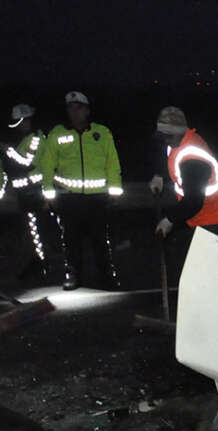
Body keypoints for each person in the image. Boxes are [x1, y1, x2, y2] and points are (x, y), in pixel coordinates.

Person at [38, 91, 123, 290]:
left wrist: (114, 192)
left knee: (100, 239)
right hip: (69, 198)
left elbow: (112, 162)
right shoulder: (57, 133)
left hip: (98, 198)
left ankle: (107, 277)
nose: (75, 112)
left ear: (87, 110)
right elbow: (47, 164)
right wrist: (48, 192)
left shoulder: (101, 132)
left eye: (79, 108)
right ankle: (73, 275)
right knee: (70, 239)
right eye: (71, 108)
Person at [150, 107, 218, 253]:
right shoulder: (176, 141)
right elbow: (170, 156)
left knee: (204, 262)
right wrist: (160, 175)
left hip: (215, 218)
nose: (164, 141)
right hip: (199, 215)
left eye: (167, 137)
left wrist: (169, 220)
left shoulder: (193, 161)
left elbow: (193, 202)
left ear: (179, 133)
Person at [2, 104, 59, 278]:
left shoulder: (35, 138)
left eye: (24, 121)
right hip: (24, 192)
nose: (22, 125)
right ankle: (38, 262)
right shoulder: (22, 139)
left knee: (39, 229)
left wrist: (8, 150)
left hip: (36, 191)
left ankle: (44, 263)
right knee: (31, 230)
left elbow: (27, 162)